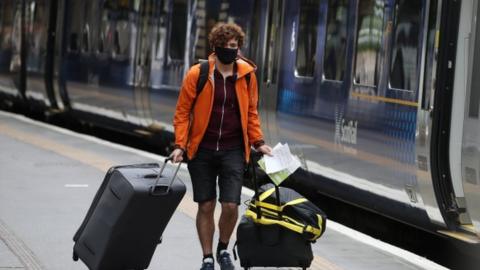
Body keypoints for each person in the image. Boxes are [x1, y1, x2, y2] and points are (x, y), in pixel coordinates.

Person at [171, 22, 272, 270]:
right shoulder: (198, 74)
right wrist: (180, 145)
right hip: (202, 150)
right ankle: (207, 256)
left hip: (234, 150)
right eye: (226, 46)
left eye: (234, 46)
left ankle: (223, 248)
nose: (231, 50)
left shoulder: (247, 76)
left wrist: (258, 142)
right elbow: (182, 112)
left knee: (230, 204)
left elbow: (251, 113)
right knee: (206, 205)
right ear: (215, 47)